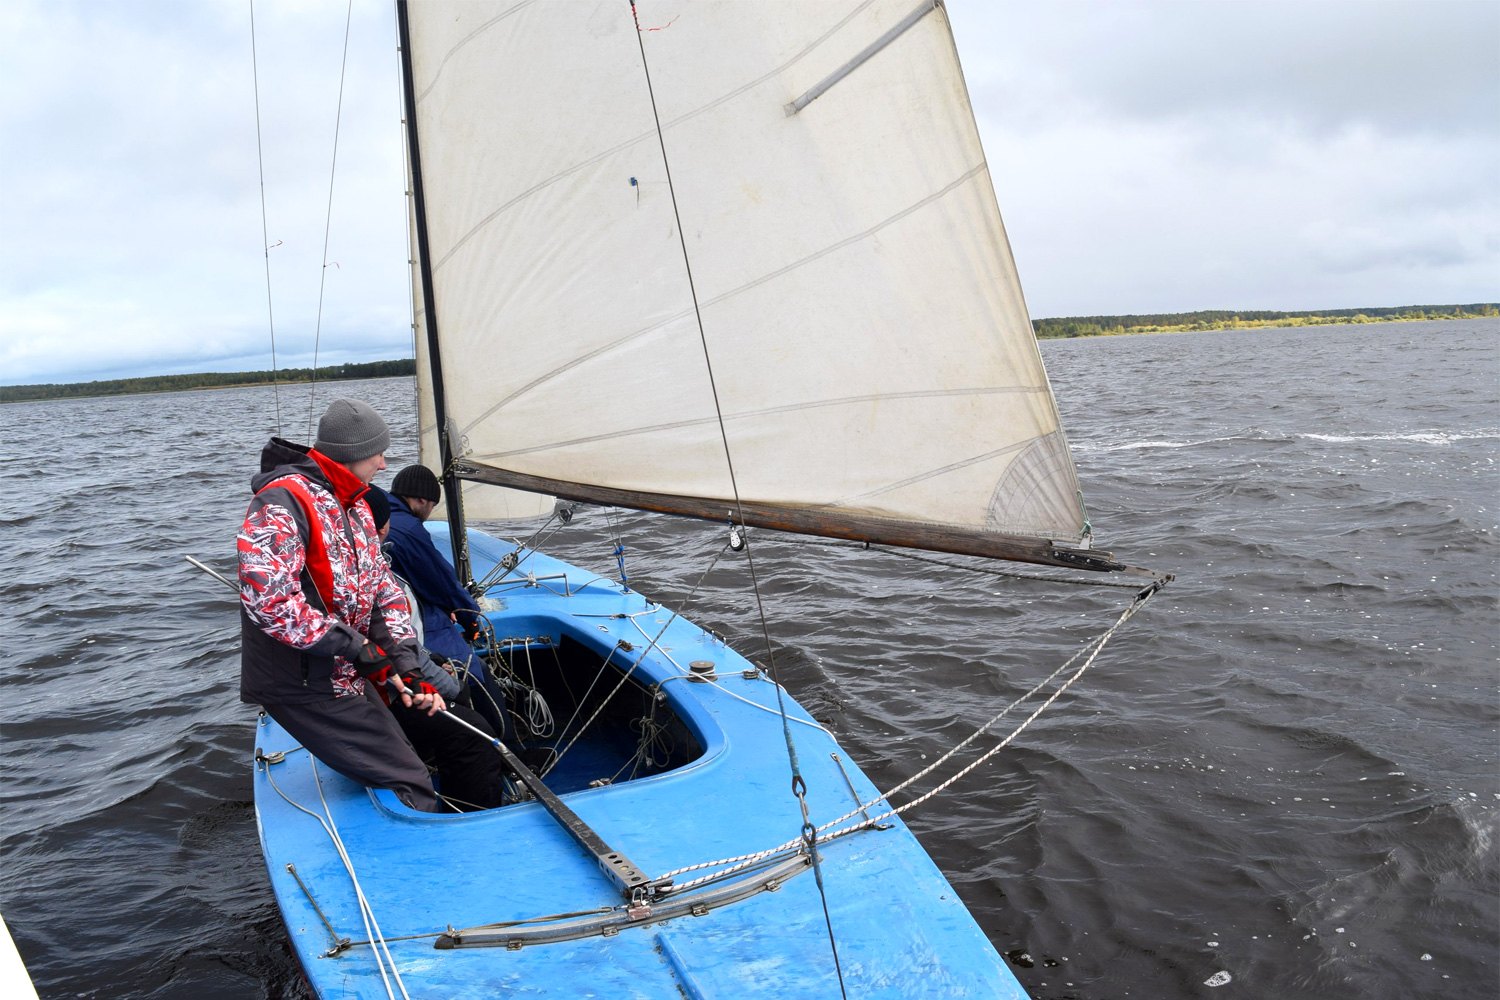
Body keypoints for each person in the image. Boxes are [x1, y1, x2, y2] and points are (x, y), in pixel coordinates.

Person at [238, 398, 445, 813]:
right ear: (353, 455)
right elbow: (271, 603)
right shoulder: (281, 504)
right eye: (378, 454)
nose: (385, 465)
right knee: (408, 777)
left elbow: (383, 592)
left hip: (342, 672)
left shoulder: (356, 507)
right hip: (301, 683)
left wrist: (406, 663)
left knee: (404, 753)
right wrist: (357, 649)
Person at [366, 489, 507, 810]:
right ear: (383, 528)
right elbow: (401, 651)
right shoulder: (389, 580)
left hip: (378, 685)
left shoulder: (359, 569)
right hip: (387, 694)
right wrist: (453, 685)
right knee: (477, 730)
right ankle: (477, 813)